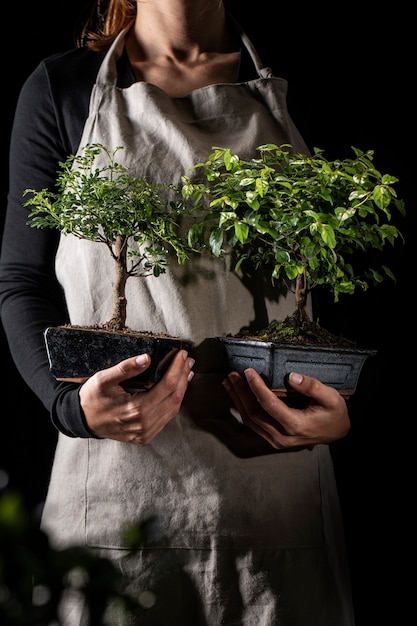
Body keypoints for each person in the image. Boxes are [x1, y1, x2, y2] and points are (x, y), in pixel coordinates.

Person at [0, 1, 355, 624]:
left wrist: (349, 413)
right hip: (116, 499)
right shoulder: (64, 88)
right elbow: (22, 282)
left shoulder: (293, 76)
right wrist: (69, 409)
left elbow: (365, 278)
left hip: (277, 510)